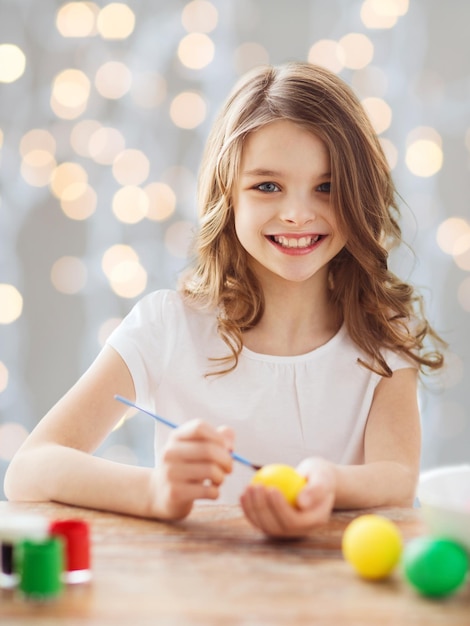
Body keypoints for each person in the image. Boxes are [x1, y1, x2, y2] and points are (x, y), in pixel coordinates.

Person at [5, 61, 445, 538]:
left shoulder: (382, 332)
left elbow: (397, 479)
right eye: (267, 186)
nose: (297, 213)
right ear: (227, 195)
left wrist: (328, 484)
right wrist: (156, 492)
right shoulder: (166, 326)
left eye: (327, 187)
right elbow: (29, 470)